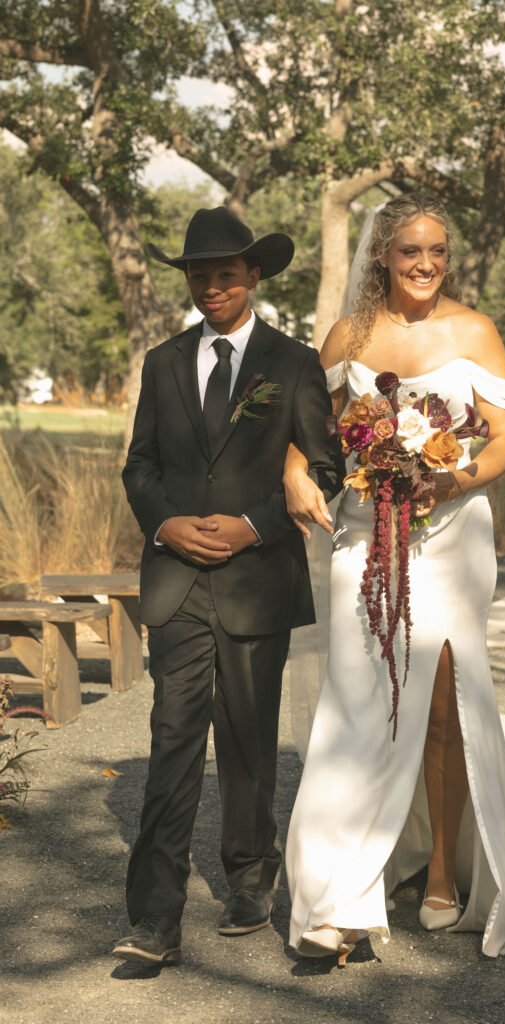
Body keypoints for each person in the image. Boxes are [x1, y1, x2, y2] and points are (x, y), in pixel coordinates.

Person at [283, 193, 505, 962]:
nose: (426, 263)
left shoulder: (474, 331)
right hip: (364, 537)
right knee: (354, 705)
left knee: (443, 704)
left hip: (449, 533)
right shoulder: (348, 335)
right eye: (410, 250)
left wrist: (455, 480)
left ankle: (443, 870)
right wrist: (295, 475)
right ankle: (337, 895)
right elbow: (312, 430)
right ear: (382, 254)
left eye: (437, 250)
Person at [113, 206, 345, 964]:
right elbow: (139, 465)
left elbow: (329, 467)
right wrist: (165, 524)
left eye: (224, 273)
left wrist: (255, 524)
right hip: (177, 579)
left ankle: (250, 876)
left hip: (256, 579)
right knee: (171, 738)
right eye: (197, 275)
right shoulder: (163, 362)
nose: (210, 286)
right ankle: (154, 918)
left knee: (246, 738)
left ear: (252, 276)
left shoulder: (292, 362)